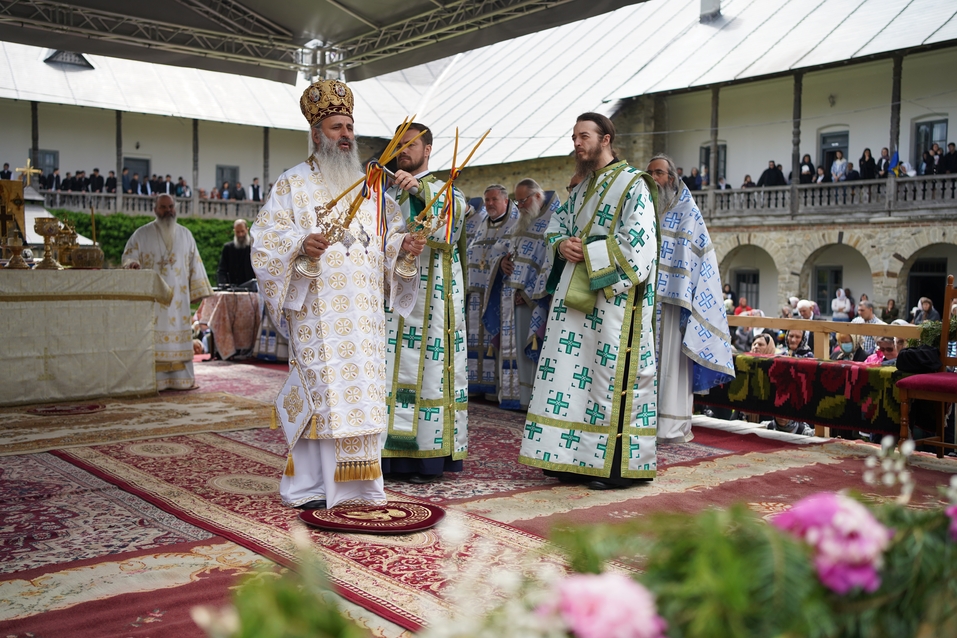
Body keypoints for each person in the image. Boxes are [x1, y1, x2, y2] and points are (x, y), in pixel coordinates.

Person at [251, 78, 418, 510]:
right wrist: (299, 244)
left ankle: (361, 489)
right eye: (335, 127)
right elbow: (265, 240)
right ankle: (310, 485)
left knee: (361, 397)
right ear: (316, 133)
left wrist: (405, 249)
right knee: (324, 399)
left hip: (363, 317)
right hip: (316, 314)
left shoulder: (370, 188)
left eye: (349, 127)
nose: (345, 135)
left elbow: (387, 241)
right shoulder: (292, 184)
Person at [519, 112, 659, 490]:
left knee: (603, 380)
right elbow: (556, 228)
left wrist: (593, 253)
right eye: (574, 137)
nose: (577, 143)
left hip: (613, 303)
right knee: (568, 379)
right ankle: (572, 459)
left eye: (584, 136)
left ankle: (612, 467)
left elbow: (640, 245)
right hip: (573, 303)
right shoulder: (580, 190)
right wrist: (560, 244)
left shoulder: (634, 185)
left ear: (606, 139)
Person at [382, 122, 468, 484]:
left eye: (411, 145)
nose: (404, 150)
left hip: (432, 300)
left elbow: (454, 223)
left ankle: (427, 459)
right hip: (391, 301)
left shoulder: (445, 191)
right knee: (387, 373)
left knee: (430, 375)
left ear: (428, 150)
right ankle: (389, 457)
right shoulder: (387, 195)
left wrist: (421, 189)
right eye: (399, 145)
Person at [647, 154, 734, 442]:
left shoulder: (688, 212)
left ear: (671, 178)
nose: (652, 178)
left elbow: (699, 260)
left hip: (674, 305)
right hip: (647, 303)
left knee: (672, 363)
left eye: (658, 173)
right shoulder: (644, 210)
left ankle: (672, 427)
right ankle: (643, 423)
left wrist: (677, 289)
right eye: (649, 173)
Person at [484, 177, 561, 411]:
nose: (519, 206)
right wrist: (502, 262)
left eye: (523, 200)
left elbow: (550, 263)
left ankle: (532, 400)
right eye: (516, 202)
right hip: (511, 296)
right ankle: (514, 396)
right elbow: (499, 251)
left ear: (537, 196)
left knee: (532, 350)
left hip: (534, 300)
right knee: (513, 349)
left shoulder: (554, 220)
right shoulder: (522, 220)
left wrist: (528, 293)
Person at [122, 194, 212, 390]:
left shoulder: (186, 234)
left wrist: (197, 292)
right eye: (163, 207)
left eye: (171, 206)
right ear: (155, 210)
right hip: (153, 301)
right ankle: (155, 382)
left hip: (179, 301)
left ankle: (182, 379)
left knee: (179, 336)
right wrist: (132, 265)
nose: (168, 211)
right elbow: (128, 257)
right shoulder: (141, 234)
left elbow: (195, 264)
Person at [466, 184, 519, 397]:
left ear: (505, 201)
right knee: (474, 339)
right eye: (486, 200)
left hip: (498, 293)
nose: (489, 204)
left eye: (494, 199)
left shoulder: (515, 223)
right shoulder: (482, 223)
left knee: (495, 338)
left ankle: (495, 388)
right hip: (476, 293)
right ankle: (475, 385)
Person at [216, 219, 255, 287]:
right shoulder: (228, 248)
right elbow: (222, 270)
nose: (240, 234)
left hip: (251, 287)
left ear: (247, 230)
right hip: (232, 287)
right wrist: (223, 284)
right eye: (237, 232)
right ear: (234, 231)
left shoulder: (254, 248)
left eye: (242, 231)